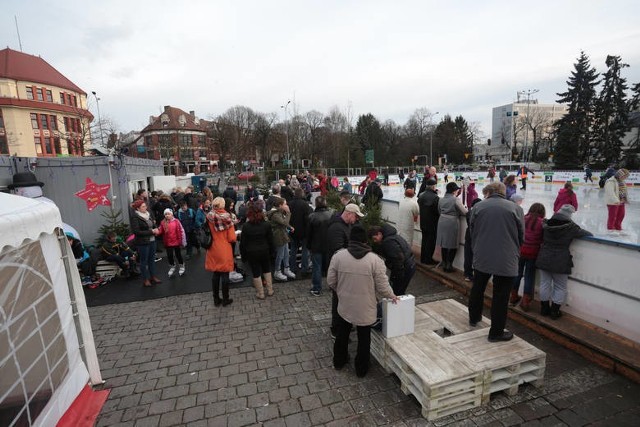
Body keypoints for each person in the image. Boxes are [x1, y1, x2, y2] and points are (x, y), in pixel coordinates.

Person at [328, 225, 398, 378]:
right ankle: (361, 368)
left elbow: (331, 281)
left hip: (345, 304)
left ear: (350, 239)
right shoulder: (375, 260)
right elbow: (382, 286)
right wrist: (392, 296)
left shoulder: (338, 256)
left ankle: (339, 361)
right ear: (365, 241)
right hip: (366, 306)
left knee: (342, 333)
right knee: (364, 337)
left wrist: (341, 292)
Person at [468, 182, 524, 342]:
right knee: (501, 295)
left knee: (478, 288)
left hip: (482, 255)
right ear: (503, 192)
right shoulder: (515, 209)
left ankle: (474, 318)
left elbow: (472, 230)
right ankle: (496, 332)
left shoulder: (478, 207)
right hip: (506, 257)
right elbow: (522, 236)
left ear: (488, 192)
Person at [536, 205, 593, 319]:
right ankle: (554, 312)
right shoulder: (571, 228)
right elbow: (588, 234)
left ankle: (544, 309)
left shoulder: (546, 224)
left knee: (544, 284)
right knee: (560, 286)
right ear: (569, 215)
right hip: (560, 260)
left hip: (544, 257)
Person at [326, 203, 364, 337]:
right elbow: (338, 251)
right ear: (348, 214)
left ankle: (344, 325)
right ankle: (336, 329)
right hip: (340, 271)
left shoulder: (346, 225)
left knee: (344, 300)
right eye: (356, 216)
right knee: (338, 300)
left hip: (345, 269)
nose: (357, 220)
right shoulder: (336, 228)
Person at [511, 203, 546, 311]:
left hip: (520, 250)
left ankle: (513, 296)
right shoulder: (542, 223)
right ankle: (525, 301)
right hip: (533, 253)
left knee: (517, 273)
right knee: (529, 276)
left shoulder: (523, 219)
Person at [240, 201, 275, 299]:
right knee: (267, 269)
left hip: (252, 252)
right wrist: (272, 252)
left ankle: (260, 293)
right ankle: (270, 290)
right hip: (265, 250)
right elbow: (271, 240)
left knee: (256, 272)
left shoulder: (246, 226)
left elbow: (243, 243)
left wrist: (243, 256)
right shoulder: (266, 224)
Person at [206, 197, 237, 306]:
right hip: (224, 248)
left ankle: (216, 299)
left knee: (216, 273)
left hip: (213, 247)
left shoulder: (209, 216)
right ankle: (225, 299)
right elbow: (232, 238)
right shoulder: (228, 219)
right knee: (225, 274)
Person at [369, 224, 416, 296]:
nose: (375, 241)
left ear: (380, 234)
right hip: (409, 264)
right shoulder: (392, 237)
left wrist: (397, 277)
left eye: (375, 238)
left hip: (404, 268)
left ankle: (397, 306)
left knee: (396, 292)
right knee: (399, 291)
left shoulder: (388, 242)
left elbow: (398, 260)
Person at [436, 182, 468, 272]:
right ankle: (449, 265)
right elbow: (464, 212)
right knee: (453, 244)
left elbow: (439, 210)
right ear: (454, 191)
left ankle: (445, 263)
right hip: (452, 222)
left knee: (444, 243)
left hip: (442, 221)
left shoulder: (441, 199)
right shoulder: (455, 200)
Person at [306, 196, 335, 296]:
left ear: (316, 203)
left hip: (316, 245)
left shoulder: (312, 216)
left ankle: (317, 288)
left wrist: (308, 245)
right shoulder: (331, 215)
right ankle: (332, 286)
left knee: (317, 267)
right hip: (329, 245)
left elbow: (308, 234)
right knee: (331, 267)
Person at [130, 200, 162, 287]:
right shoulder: (135, 217)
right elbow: (136, 232)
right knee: (143, 262)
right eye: (143, 207)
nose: (145, 208)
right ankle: (145, 279)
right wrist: (151, 231)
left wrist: (156, 229)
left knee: (152, 260)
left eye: (145, 206)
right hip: (142, 242)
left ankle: (153, 276)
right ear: (138, 208)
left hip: (152, 240)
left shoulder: (148, 214)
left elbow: (152, 225)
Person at [267, 197, 296, 282]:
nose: (286, 205)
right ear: (280, 205)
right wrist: (288, 213)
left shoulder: (279, 212)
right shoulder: (275, 214)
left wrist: (289, 227)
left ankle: (286, 269)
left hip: (283, 235)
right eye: (285, 204)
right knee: (280, 255)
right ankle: (277, 271)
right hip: (279, 237)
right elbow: (284, 222)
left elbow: (283, 224)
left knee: (286, 253)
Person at [288, 188, 313, 274]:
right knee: (305, 250)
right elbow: (308, 220)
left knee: (293, 249)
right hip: (303, 231)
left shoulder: (289, 204)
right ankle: (304, 268)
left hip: (292, 230)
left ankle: (292, 268)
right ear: (302, 194)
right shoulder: (305, 205)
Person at [157, 208, 187, 277]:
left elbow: (182, 231)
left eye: (168, 214)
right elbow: (160, 230)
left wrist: (183, 241)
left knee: (178, 255)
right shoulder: (163, 222)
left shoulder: (176, 221)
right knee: (169, 256)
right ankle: (172, 266)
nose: (167, 215)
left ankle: (181, 266)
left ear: (172, 214)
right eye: (166, 214)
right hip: (168, 242)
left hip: (176, 241)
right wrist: (155, 232)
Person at [417, 178, 439, 265]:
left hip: (423, 222)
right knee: (431, 241)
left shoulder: (421, 195)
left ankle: (423, 258)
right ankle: (429, 259)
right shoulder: (435, 197)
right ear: (433, 186)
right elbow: (437, 211)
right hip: (432, 223)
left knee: (425, 240)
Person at [604, 168, 630, 233]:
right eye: (624, 176)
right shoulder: (611, 181)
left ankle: (618, 228)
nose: (625, 178)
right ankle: (610, 229)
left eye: (626, 177)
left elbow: (624, 191)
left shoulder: (622, 181)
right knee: (612, 216)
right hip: (613, 202)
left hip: (621, 201)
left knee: (621, 215)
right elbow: (610, 192)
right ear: (620, 175)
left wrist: (625, 199)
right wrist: (616, 200)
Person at [463, 198, 483, 282]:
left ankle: (467, 274)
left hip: (469, 235)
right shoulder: (480, 213)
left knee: (468, 255)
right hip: (478, 236)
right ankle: (476, 275)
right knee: (477, 256)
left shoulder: (469, 213)